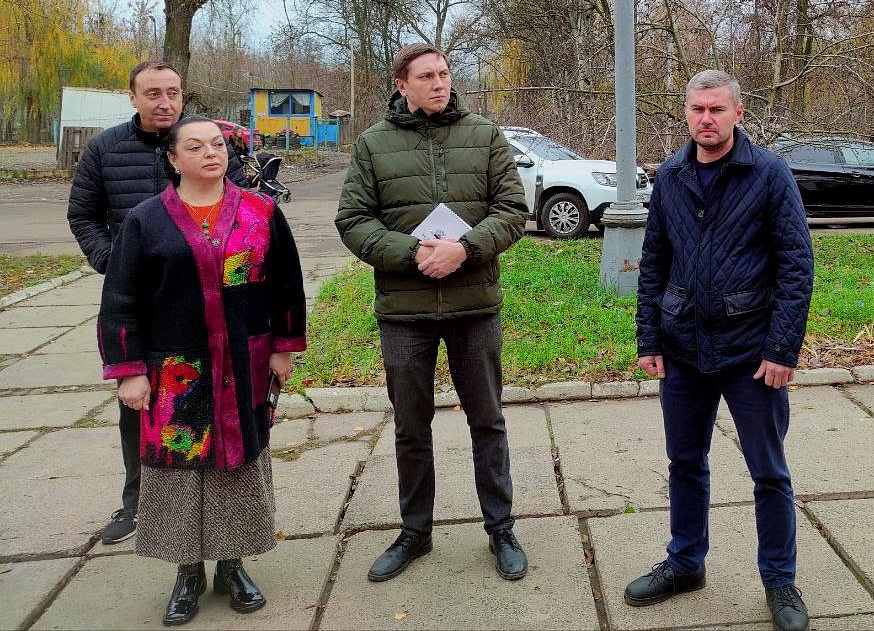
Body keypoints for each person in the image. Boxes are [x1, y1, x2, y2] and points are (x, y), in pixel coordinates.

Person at [98, 117, 306, 626]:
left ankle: (231, 565)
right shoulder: (146, 221)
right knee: (180, 472)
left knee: (237, 463)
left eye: (216, 145)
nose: (210, 154)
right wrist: (128, 369)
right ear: (172, 159)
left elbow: (285, 284)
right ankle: (187, 573)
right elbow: (121, 299)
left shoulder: (259, 212)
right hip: (175, 370)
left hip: (242, 362)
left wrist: (284, 347)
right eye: (195, 147)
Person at [335, 42, 529, 583]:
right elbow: (353, 220)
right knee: (410, 428)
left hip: (474, 306)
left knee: (487, 422)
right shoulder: (373, 144)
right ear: (402, 84)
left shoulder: (485, 136)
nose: (439, 83)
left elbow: (513, 210)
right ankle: (415, 532)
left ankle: (501, 528)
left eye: (444, 73)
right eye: (426, 76)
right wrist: (412, 254)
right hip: (405, 312)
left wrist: (464, 249)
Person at [628, 70, 815, 631]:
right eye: (696, 110)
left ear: (737, 112)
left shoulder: (769, 174)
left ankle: (780, 581)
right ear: (685, 113)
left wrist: (783, 348)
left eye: (716, 109)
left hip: (752, 354)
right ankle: (686, 562)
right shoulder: (671, 175)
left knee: (769, 472)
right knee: (685, 462)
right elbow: (654, 261)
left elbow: (796, 267)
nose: (706, 119)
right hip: (683, 349)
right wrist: (649, 337)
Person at [67, 60, 249, 546]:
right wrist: (114, 260)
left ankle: (216, 505)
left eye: (172, 92)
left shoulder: (209, 142)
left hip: (207, 295)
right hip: (141, 301)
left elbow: (243, 208)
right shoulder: (106, 149)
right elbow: (83, 213)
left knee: (209, 399)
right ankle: (138, 502)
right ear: (133, 98)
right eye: (153, 94)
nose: (164, 102)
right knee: (139, 402)